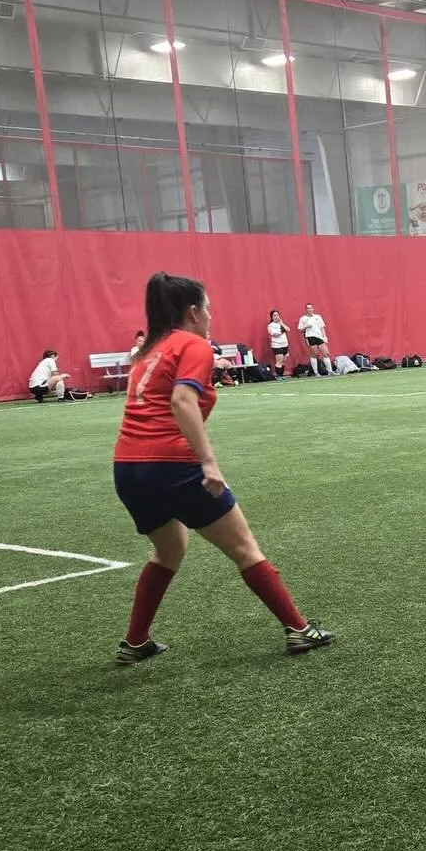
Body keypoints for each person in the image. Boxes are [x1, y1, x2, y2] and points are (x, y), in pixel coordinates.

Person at [111, 271, 334, 663]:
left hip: (129, 468)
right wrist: (208, 462)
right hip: (173, 466)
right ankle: (299, 629)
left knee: (169, 550)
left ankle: (135, 641)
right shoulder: (191, 344)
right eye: (208, 308)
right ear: (193, 311)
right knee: (245, 548)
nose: (212, 316)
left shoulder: (150, 350)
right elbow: (181, 401)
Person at [298, 302, 333, 377]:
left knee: (326, 353)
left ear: (313, 309)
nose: (309, 309)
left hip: (319, 336)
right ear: (306, 310)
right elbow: (300, 330)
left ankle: (330, 371)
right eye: (308, 308)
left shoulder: (318, 317)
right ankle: (316, 372)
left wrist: (325, 336)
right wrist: (306, 327)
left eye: (310, 308)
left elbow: (322, 327)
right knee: (314, 354)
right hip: (310, 337)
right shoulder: (303, 318)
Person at [266, 310, 290, 379]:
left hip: (285, 344)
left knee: (283, 361)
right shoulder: (270, 326)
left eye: (277, 315)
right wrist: (282, 331)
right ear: (272, 317)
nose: (276, 317)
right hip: (277, 345)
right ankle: (278, 376)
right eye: (274, 315)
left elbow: (288, 329)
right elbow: (275, 334)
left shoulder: (281, 324)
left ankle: (281, 375)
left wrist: (282, 323)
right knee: (279, 361)